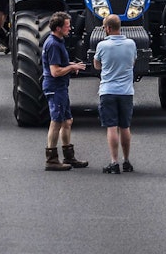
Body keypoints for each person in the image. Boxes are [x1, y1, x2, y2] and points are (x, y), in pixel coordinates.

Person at [41, 11, 88, 171]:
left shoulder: (58, 41)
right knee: (56, 122)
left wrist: (70, 65)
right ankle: (51, 159)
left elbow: (59, 64)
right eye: (67, 25)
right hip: (55, 87)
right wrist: (71, 67)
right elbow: (55, 71)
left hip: (61, 87)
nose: (70, 28)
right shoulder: (53, 44)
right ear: (59, 28)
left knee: (67, 121)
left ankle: (69, 156)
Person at [94, 14, 138, 174]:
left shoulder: (102, 46)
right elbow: (133, 62)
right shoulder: (131, 44)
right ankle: (126, 161)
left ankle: (114, 162)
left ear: (108, 28)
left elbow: (97, 66)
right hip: (126, 92)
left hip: (108, 91)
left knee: (111, 127)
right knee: (125, 127)